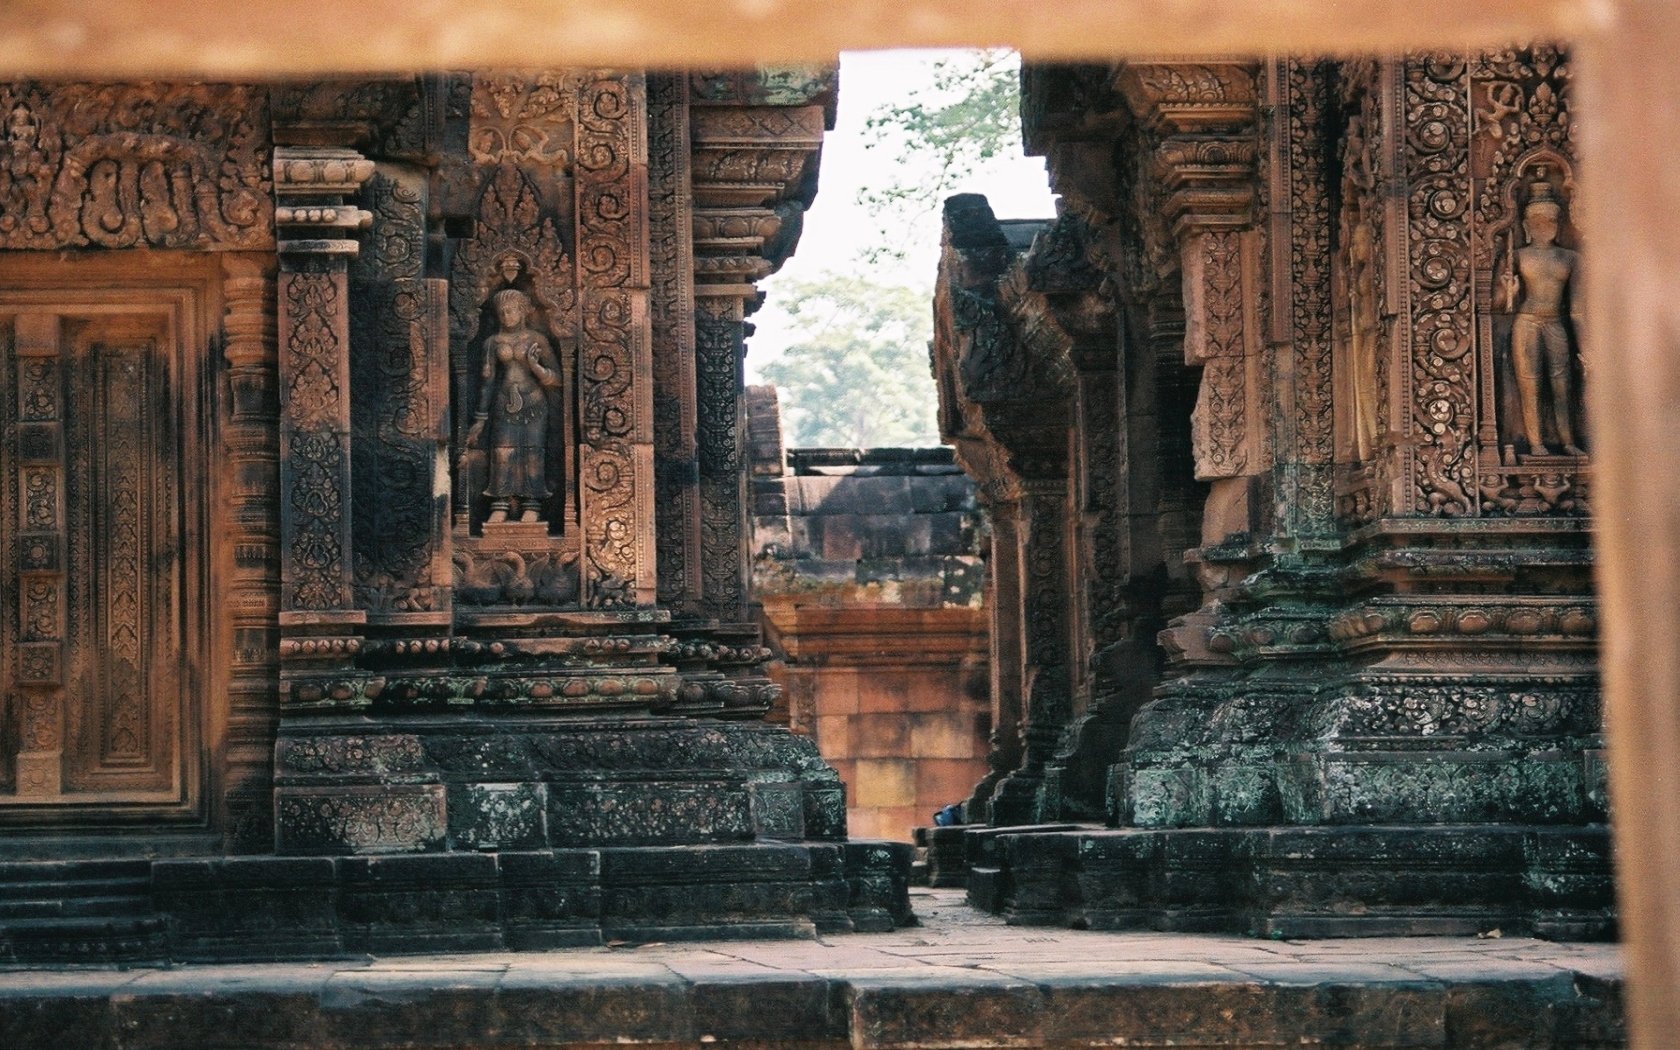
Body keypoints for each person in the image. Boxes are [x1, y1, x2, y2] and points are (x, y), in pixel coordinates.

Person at [1499, 176, 1585, 457]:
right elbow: (1500, 303)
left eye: (1550, 221)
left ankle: (1568, 441)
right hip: (1527, 321)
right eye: (1537, 222)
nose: (1544, 227)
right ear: (1525, 226)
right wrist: (1508, 291)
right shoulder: (1519, 256)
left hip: (1555, 322)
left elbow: (1577, 309)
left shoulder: (1570, 258)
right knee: (1530, 382)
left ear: (1558, 224)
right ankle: (1536, 443)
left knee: (1562, 385)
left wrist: (1586, 348)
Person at [465, 288, 564, 523]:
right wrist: (480, 420)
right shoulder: (492, 342)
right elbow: (487, 383)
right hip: (503, 401)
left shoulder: (537, 339)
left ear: (522, 311)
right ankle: (500, 503)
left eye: (511, 311)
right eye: (502, 312)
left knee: (533, 451)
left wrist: (535, 366)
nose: (506, 316)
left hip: (534, 402)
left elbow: (557, 378)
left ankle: (532, 503)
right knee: (502, 452)